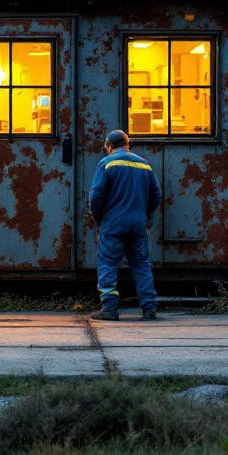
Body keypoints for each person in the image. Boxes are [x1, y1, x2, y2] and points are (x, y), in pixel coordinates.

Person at [88, 130, 162, 321]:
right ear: (128, 145)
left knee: (107, 263)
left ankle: (110, 309)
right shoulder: (144, 165)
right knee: (141, 264)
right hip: (138, 223)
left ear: (109, 146)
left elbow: (96, 195)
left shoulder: (107, 163)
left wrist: (97, 217)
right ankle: (149, 307)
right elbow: (156, 196)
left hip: (113, 223)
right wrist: (145, 214)